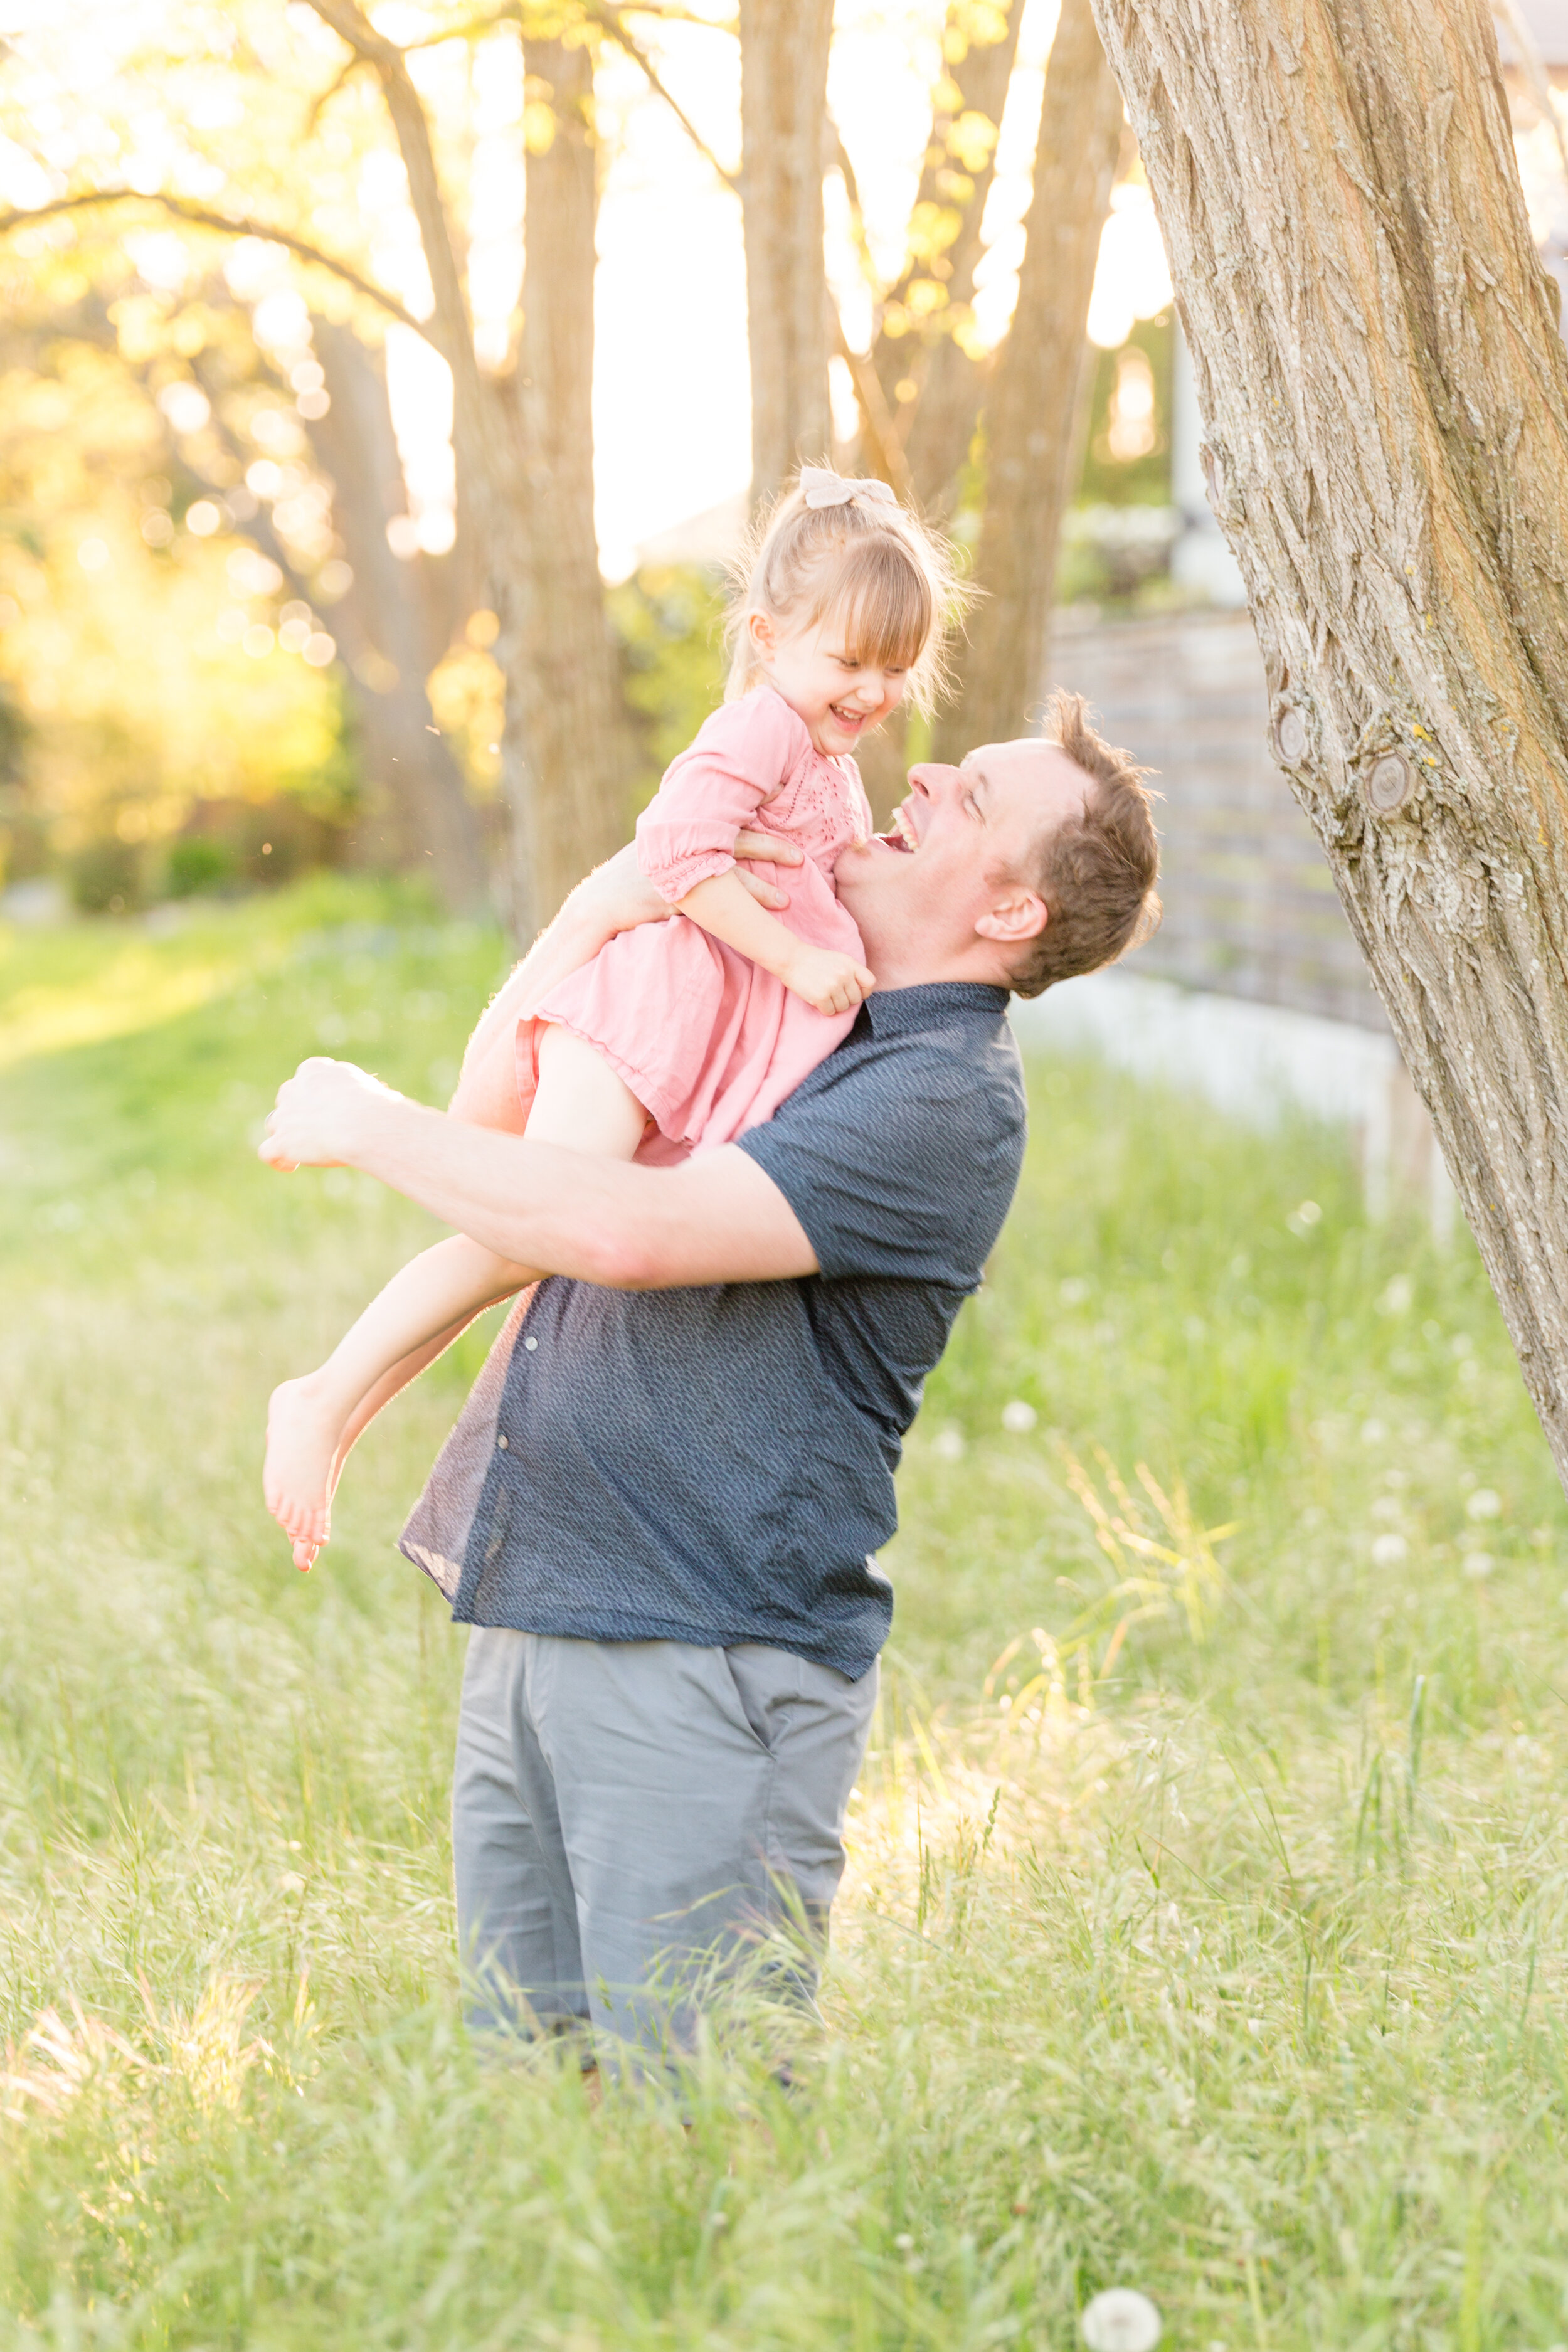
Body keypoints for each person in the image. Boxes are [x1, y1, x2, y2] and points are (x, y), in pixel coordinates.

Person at [258, 694, 1160, 2072]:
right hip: (543, 1600)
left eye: (972, 796)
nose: (916, 774)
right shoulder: (798, 1000)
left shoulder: (934, 1097)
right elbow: (526, 1164)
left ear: (1010, 915)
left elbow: (619, 1232)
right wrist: (588, 916)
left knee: (694, 2118)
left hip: (701, 1650)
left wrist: (364, 1126)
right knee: (530, 2094)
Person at [263, 467, 963, 1569]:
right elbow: (677, 853)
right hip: (643, 1015)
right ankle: (322, 1394)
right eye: (848, 660)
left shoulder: (823, 748)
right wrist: (791, 955)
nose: (873, 690)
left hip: (677, 1037)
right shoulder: (764, 731)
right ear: (768, 636)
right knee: (521, 1231)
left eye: (894, 666)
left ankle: (337, 1411)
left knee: (516, 1249)